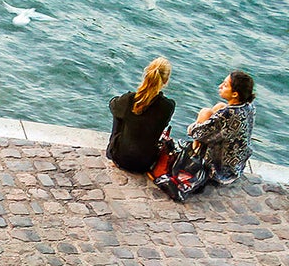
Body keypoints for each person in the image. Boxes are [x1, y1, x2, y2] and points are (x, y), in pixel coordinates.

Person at [154, 70, 256, 200]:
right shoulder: (248, 107)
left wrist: (192, 126)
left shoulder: (227, 115)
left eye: (225, 85)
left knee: (204, 113)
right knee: (219, 106)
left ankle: (194, 157)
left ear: (235, 94)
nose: (220, 86)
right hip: (237, 165)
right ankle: (195, 151)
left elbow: (195, 132)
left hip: (219, 169)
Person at [106, 57, 174, 174]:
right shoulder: (168, 106)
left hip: (120, 158)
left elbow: (112, 104)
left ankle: (116, 150)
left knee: (119, 111)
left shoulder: (130, 99)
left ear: (146, 74)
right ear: (166, 80)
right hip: (145, 163)